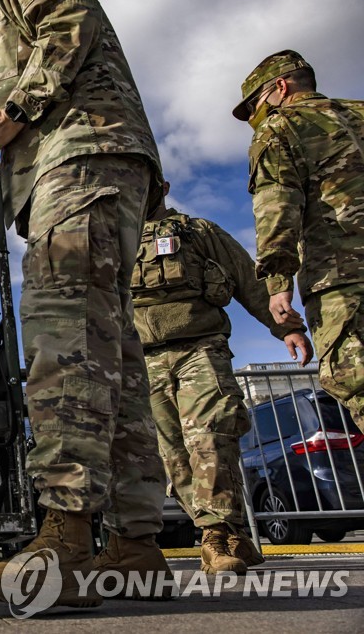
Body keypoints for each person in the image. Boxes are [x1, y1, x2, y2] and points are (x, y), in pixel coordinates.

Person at [0, 0, 170, 607]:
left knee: (64, 335)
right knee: (116, 363)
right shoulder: (21, 29)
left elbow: (66, 27)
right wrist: (7, 170)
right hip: (100, 164)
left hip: (84, 162)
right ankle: (135, 548)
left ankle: (65, 545)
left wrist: (13, 107)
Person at [131, 183, 313, 574]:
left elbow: (250, 280)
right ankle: (233, 535)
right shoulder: (114, 241)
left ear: (161, 187)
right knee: (174, 456)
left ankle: (214, 538)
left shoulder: (197, 231)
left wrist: (286, 330)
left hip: (200, 349)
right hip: (145, 359)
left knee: (210, 438)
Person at [236, 50, 364, 434]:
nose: (257, 117)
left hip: (343, 279)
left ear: (280, 86)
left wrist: (278, 286)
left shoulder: (280, 128)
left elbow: (278, 207)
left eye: (257, 104)